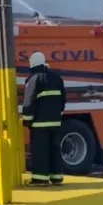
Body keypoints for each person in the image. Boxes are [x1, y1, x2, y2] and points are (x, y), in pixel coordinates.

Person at [21, 52, 67, 186]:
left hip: (39, 124)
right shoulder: (57, 78)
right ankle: (57, 177)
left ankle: (40, 179)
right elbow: (63, 99)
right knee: (54, 150)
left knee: (40, 151)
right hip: (56, 122)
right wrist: (58, 114)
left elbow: (29, 102)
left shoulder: (34, 79)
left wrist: (26, 120)